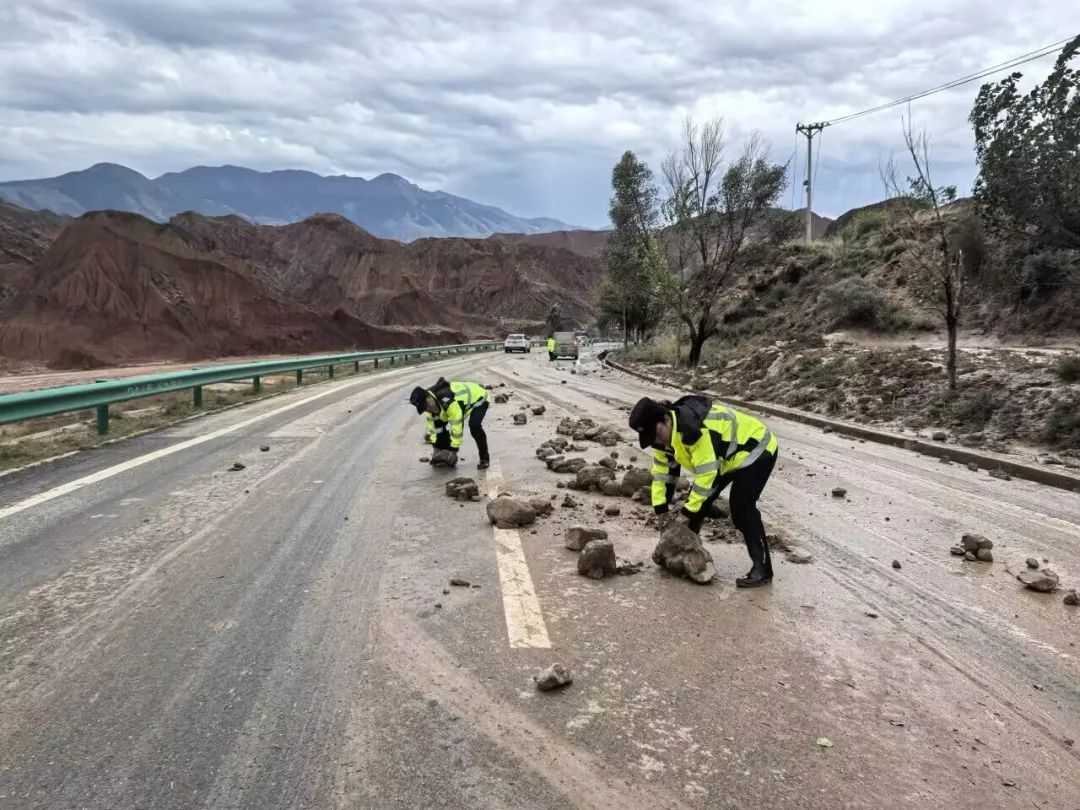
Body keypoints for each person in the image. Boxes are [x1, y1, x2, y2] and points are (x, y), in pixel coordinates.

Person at [629, 395, 779, 588]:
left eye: (656, 434)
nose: (656, 441)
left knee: (742, 509)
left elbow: (706, 476)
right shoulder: (662, 440)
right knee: (696, 505)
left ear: (666, 419)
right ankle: (688, 553)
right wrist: (661, 512)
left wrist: (685, 515)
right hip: (724, 458)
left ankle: (763, 569)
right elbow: (662, 476)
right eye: (651, 438)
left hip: (756, 449)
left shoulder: (694, 430)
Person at [409, 378, 491, 469]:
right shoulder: (429, 407)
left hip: (478, 397)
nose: (428, 409)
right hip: (460, 402)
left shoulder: (449, 400)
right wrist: (436, 448)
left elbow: (457, 426)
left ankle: (484, 459)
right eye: (425, 408)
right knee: (438, 424)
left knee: (474, 426)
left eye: (427, 406)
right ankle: (444, 455)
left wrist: (453, 449)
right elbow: (434, 429)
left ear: (429, 397)